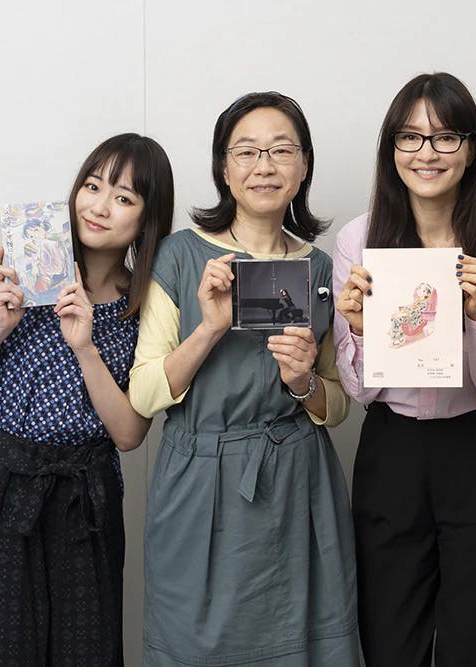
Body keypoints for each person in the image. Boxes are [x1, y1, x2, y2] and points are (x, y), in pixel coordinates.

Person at [128, 92, 359, 666]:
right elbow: (145, 392)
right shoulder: (179, 256)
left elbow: (337, 408)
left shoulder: (320, 267)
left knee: (300, 646)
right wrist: (208, 329)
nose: (264, 166)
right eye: (248, 151)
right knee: (192, 645)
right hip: (197, 482)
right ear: (223, 168)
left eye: (282, 151)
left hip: (296, 485)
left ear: (303, 167)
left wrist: (303, 379)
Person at [0, 133, 175, 665]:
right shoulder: (14, 264)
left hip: (84, 498)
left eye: (124, 197)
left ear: (147, 219)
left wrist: (85, 346)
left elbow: (130, 435)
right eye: (93, 185)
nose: (100, 206)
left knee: (83, 652)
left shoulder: (143, 304)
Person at [333, 72, 476, 666]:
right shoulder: (360, 238)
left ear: (471, 149)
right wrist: (356, 328)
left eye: (445, 138)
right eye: (410, 137)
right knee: (389, 636)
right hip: (393, 448)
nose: (427, 153)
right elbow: (362, 388)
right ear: (391, 148)